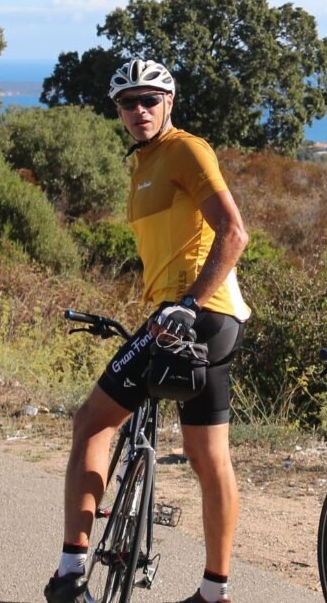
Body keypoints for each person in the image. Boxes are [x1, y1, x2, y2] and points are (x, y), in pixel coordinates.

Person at [45, 59, 251, 603]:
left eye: (150, 100)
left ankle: (70, 573)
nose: (139, 110)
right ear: (117, 110)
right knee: (208, 456)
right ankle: (215, 593)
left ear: (170, 102)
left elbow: (234, 233)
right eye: (128, 103)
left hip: (196, 316)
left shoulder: (186, 149)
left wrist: (187, 303)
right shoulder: (143, 163)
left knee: (92, 422)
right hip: (189, 316)